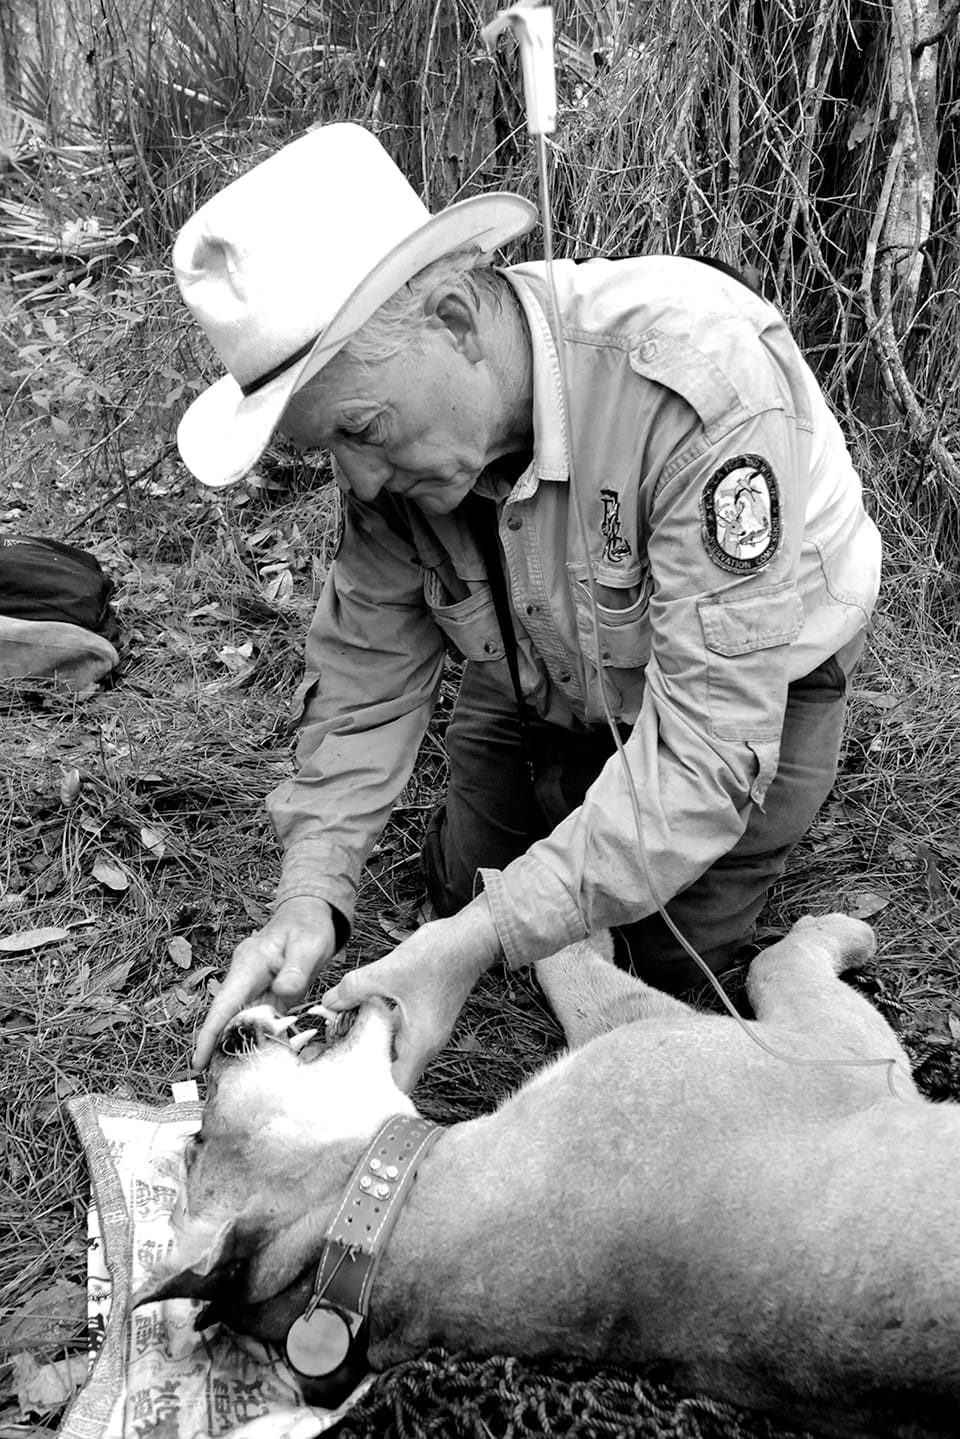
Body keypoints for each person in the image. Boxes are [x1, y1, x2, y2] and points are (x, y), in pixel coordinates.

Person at [176, 123, 881, 1085]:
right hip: (538, 670)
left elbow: (708, 752)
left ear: (458, 318)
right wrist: (311, 894)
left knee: (656, 961)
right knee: (467, 887)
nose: (363, 483)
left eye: (360, 430)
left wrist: (480, 936)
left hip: (756, 691)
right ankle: (562, 818)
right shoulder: (396, 463)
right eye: (329, 451)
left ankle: (792, 940)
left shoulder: (692, 382)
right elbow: (362, 683)